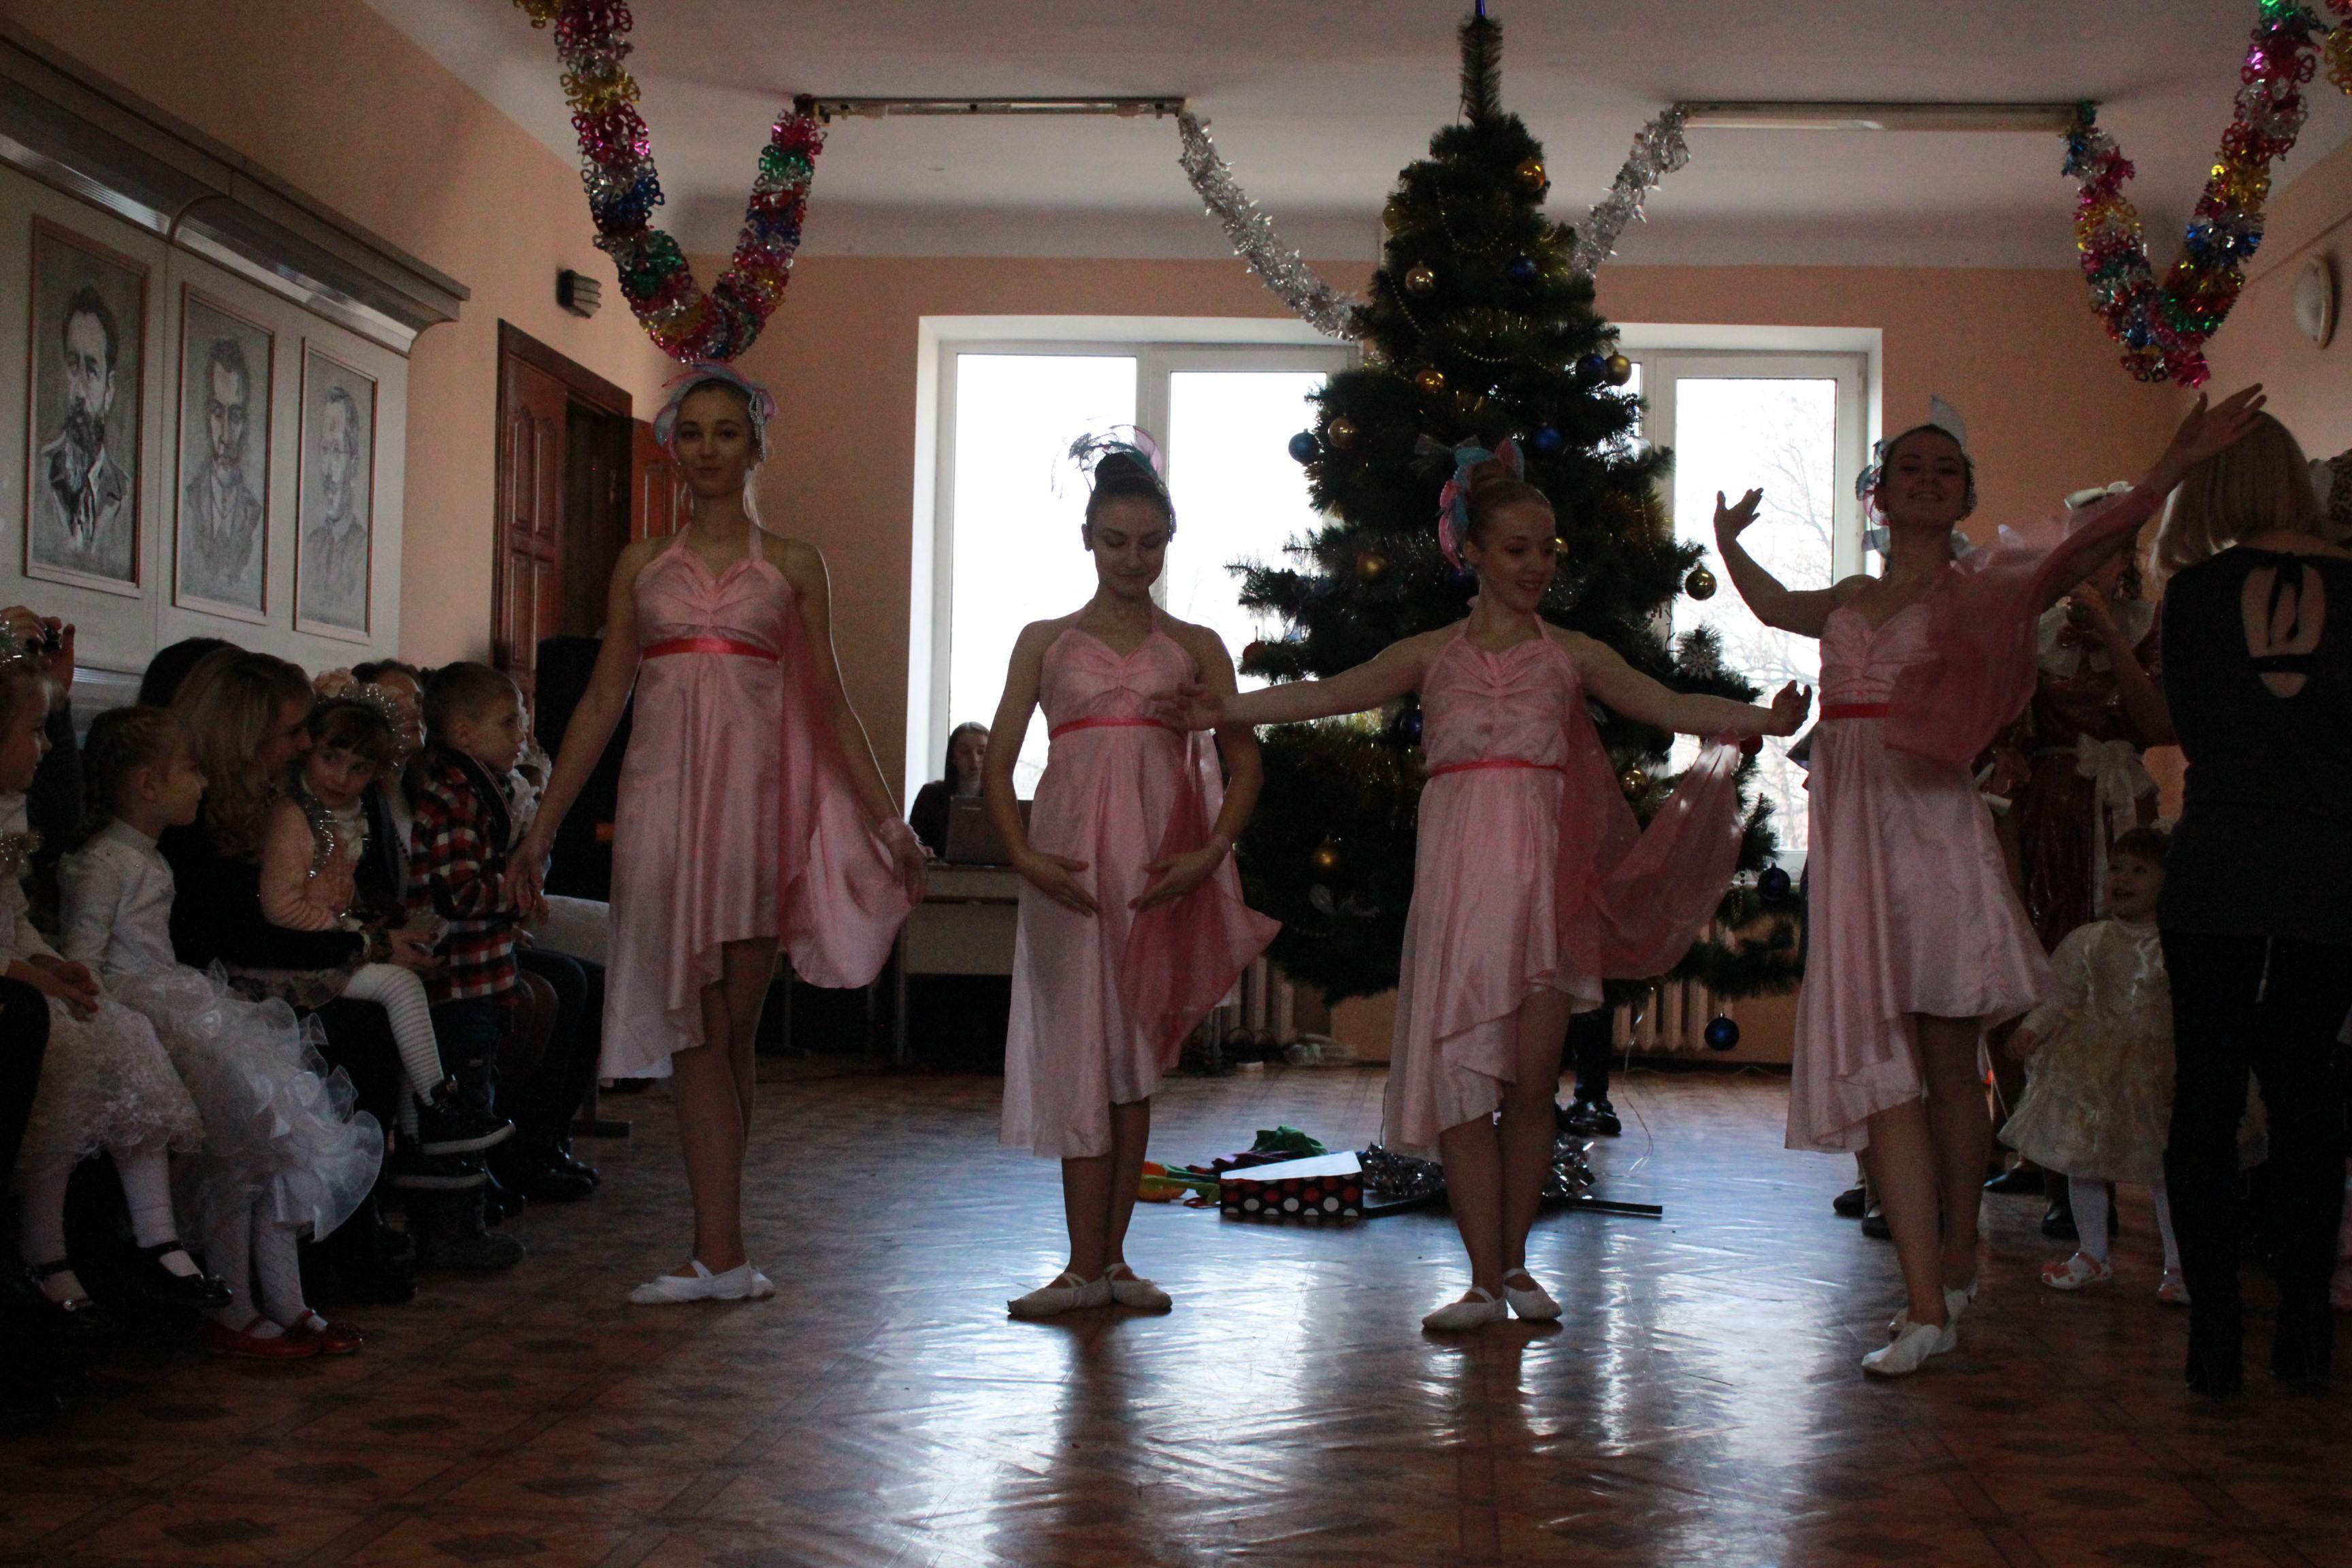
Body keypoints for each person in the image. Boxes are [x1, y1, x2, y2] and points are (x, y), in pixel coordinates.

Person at [1165, 441, 1806, 1328]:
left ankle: (1515, 1268)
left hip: (1543, 897)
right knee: (1464, 1086)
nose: (1537, 564)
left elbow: (1662, 701)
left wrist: (1758, 717)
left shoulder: (1569, 654)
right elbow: (1330, 691)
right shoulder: (1433, 653)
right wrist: (1226, 709)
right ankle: (1479, 1279)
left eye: (1547, 549)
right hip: (1459, 893)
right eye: (1517, 549)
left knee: (1532, 1085)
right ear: (1471, 551)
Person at [1713, 387, 2264, 1377]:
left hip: (1929, 828)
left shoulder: (1985, 588)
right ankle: (1933, 1288)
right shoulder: (1848, 596)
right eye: (1909, 468)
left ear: (1966, 496)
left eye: (1946, 470)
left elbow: (2085, 547)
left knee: (1943, 1052)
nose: (1926, 481)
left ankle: (1952, 1262)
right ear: (1879, 494)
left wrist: (2173, 467)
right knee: (1889, 1053)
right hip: (1851, 824)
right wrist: (1726, 542)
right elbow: (1768, 605)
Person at [514, 365, 924, 1305]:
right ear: (674, 446)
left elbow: (830, 703)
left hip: (752, 816)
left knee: (727, 1033)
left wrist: (888, 820)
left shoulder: (794, 565)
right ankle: (722, 1252)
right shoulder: (640, 566)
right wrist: (543, 825)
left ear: (754, 447)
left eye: (725, 432)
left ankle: (724, 1253)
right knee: (703, 1034)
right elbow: (601, 700)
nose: (706, 449)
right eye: (691, 432)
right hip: (662, 813)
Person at [985, 435, 1277, 1319]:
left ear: (1169, 541)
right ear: (1087, 537)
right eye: (1115, 540)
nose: (1133, 559)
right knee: (1082, 1059)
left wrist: (1209, 853)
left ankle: (1111, 1260)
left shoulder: (1194, 646)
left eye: (1150, 542)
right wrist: (1025, 856)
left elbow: (1245, 764)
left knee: (1133, 1064)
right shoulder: (1045, 642)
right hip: (1070, 878)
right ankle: (1082, 1264)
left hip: (1155, 879)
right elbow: (997, 763)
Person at [61, 706, 382, 1359]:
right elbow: (84, 964)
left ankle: (287, 1299)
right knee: (242, 1142)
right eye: (192, 770)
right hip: (143, 1009)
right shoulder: (103, 863)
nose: (204, 783)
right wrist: (130, 1023)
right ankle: (234, 1308)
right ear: (149, 783)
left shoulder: (148, 859)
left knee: (276, 1127)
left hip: (180, 994)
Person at [2155, 410, 2352, 1392]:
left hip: (2219, 860)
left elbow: (2189, 728)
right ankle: (2306, 1328)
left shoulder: (2194, 592)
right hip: (2333, 863)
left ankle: (2216, 1332)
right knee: (2309, 1093)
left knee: (2206, 1092)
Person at [163, 649, 423, 1302]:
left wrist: (364, 934)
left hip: (265, 964)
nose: (306, 744)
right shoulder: (193, 816)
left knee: (371, 1021)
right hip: (213, 982)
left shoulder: (279, 798)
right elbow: (232, 937)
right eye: (293, 732)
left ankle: (354, 1222)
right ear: (244, 734)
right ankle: (331, 1242)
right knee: (354, 1031)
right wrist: (364, 946)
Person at [3, 658, 220, 1327]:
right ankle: (45, 1253)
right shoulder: (103, 862)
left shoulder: (10, 811)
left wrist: (49, 962)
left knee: (124, 1035)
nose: (46, 746)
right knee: (75, 1060)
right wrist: (45, 975)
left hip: (27, 980)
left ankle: (158, 1237)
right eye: (34, 731)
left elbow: (12, 915)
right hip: (16, 992)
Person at [253, 693, 510, 1175]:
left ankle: (414, 1134)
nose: (340, 777)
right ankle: (437, 1106)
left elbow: (343, 891)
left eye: (358, 768)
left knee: (415, 984)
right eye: (331, 758)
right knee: (400, 984)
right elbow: (281, 908)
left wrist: (371, 923)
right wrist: (346, 931)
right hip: (295, 961)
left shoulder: (349, 814)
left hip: (333, 940)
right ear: (309, 751)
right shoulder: (294, 817)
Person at [1999, 827, 2183, 1303]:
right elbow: (2061, 994)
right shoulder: (2088, 940)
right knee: (2082, 1162)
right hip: (2092, 1072)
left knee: (2167, 1170)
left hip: (2155, 1070)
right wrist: (2032, 1029)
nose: (2122, 878)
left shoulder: (2177, 944)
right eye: (2116, 868)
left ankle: (2180, 1265)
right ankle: (2093, 1253)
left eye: (2139, 870)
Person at [406, 663, 544, 1265]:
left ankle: (473, 1206)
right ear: (463, 732)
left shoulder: (485, 788)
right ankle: (451, 1230)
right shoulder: (456, 797)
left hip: (484, 974)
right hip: (458, 979)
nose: (522, 732)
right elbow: (457, 893)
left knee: (479, 1093)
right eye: (509, 721)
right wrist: (515, 892)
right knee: (460, 1107)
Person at [37, 287, 133, 580]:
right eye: (72, 365)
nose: (79, 390)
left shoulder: (126, 494)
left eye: (91, 371)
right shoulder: (39, 473)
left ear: (109, 389)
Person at [180, 336, 265, 606]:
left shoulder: (255, 512)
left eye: (235, 416)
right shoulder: (189, 499)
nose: (226, 435)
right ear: (207, 415)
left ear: (245, 423)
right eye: (218, 413)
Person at [299, 385, 370, 632]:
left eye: (337, 451)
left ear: (354, 465)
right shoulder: (311, 545)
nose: (327, 470)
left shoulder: (363, 550)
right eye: (324, 450)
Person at [909, 723, 989, 858]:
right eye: (965, 752)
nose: (974, 760)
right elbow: (915, 844)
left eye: (981, 752)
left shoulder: (1001, 801)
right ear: (953, 757)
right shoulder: (930, 795)